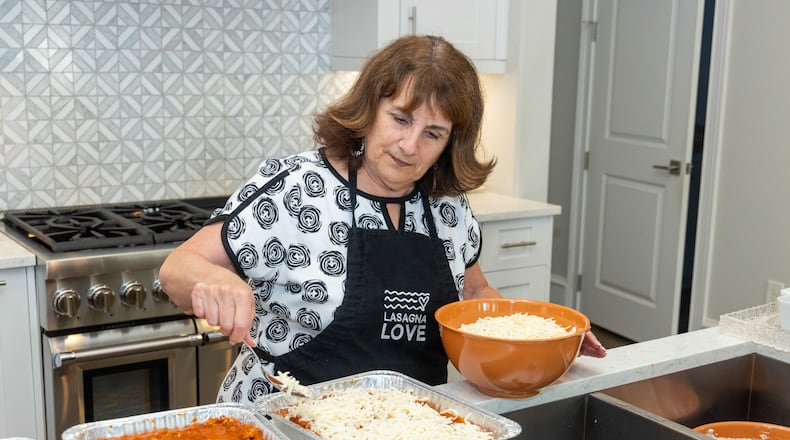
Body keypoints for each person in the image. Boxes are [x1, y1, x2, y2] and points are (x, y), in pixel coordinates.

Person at [159, 34, 606, 405]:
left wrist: (538, 339)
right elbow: (176, 268)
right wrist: (216, 282)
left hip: (408, 421)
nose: (410, 146)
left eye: (432, 134)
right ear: (370, 109)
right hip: (284, 418)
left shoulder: (446, 206)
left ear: (451, 143)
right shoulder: (296, 187)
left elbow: (472, 291)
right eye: (399, 119)